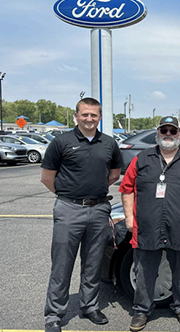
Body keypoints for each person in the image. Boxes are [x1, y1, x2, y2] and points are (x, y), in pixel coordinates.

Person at [120, 116, 180, 332]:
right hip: (147, 226)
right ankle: (141, 310)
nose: (168, 134)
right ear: (157, 134)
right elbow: (126, 188)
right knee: (145, 270)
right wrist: (129, 217)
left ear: (179, 134)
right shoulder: (142, 158)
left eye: (172, 131)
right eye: (163, 130)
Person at [40, 97, 122, 332]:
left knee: (93, 262)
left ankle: (90, 306)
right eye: (84, 114)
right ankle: (54, 314)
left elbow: (114, 174)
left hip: (98, 210)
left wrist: (92, 194)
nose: (89, 119)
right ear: (76, 116)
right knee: (62, 263)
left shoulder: (109, 143)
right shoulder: (61, 142)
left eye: (93, 115)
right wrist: (70, 196)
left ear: (100, 117)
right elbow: (47, 178)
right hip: (69, 209)